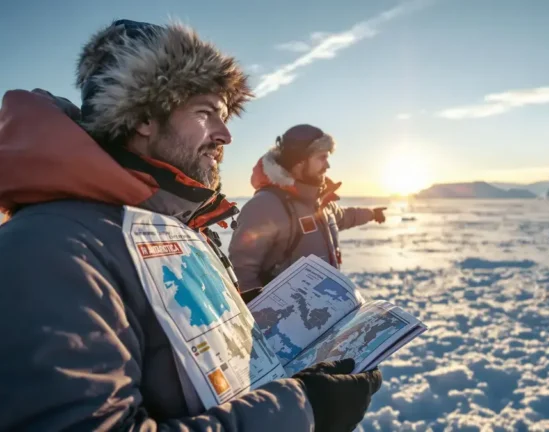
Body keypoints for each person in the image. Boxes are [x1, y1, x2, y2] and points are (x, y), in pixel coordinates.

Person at [0, 19, 381, 431]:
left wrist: (259, 335)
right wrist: (303, 411)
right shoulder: (52, 248)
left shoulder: (172, 227)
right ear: (144, 116)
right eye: (206, 113)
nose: (226, 135)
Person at [229, 124, 387, 301]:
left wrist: (372, 213)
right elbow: (242, 269)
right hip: (285, 319)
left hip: (323, 311)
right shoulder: (266, 205)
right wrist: (261, 317)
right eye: (322, 158)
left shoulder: (319, 201)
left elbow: (344, 217)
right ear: (300, 162)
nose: (328, 165)